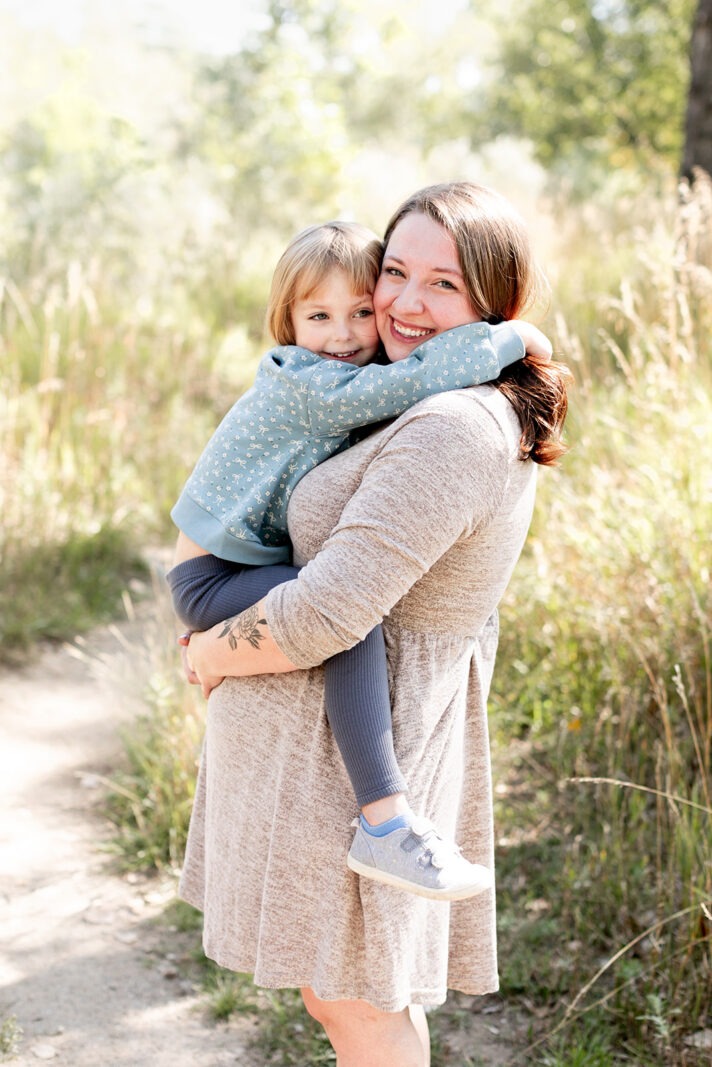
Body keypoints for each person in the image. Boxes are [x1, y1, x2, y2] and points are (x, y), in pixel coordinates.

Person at [179, 181, 570, 1067]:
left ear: (494, 306)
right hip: (334, 743)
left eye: (444, 284)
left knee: (357, 998)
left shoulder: (451, 426)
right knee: (357, 993)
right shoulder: (398, 393)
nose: (400, 303)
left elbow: (326, 610)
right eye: (395, 272)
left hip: (356, 751)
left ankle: (389, 821)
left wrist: (208, 651)